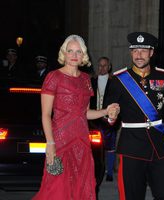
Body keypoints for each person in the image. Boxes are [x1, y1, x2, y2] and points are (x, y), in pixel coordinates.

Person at [32, 34, 120, 200]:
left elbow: (84, 113)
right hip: (60, 142)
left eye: (78, 52)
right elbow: (45, 115)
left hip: (81, 143)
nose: (74, 55)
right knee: (57, 191)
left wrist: (105, 111)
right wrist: (50, 143)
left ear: (83, 55)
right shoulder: (53, 77)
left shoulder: (86, 79)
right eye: (70, 51)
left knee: (80, 189)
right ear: (64, 53)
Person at [104, 32, 164, 200]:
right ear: (130, 52)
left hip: (160, 147)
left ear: (151, 52)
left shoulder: (163, 78)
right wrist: (110, 117)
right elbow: (107, 116)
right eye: (135, 50)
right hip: (131, 148)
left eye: (143, 50)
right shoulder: (119, 80)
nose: (139, 55)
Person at [90, 57, 119, 182]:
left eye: (105, 65)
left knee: (110, 144)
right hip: (93, 118)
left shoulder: (114, 81)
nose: (102, 68)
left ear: (109, 66)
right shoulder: (91, 80)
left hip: (108, 118)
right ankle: (94, 169)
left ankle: (110, 172)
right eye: (100, 65)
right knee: (93, 145)